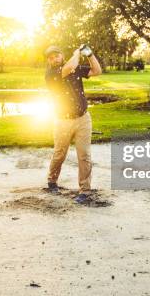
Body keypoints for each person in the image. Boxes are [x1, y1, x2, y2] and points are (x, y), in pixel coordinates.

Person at [44, 44, 102, 204]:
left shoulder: (74, 68)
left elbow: (97, 71)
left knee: (84, 155)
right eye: (51, 57)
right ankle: (52, 180)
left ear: (62, 55)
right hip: (63, 120)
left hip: (83, 118)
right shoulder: (51, 74)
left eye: (56, 56)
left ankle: (84, 190)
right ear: (48, 61)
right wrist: (77, 52)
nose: (54, 59)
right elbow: (70, 67)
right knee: (60, 154)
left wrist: (90, 54)